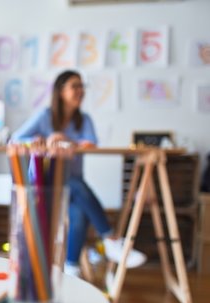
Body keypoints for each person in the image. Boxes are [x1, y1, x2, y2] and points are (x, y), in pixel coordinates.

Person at [10, 70, 146, 277]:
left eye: (82, 86)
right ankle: (110, 239)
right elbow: (15, 140)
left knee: (79, 213)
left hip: (72, 187)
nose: (80, 91)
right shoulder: (45, 116)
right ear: (61, 91)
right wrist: (41, 141)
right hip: (44, 184)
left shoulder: (84, 120)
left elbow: (91, 144)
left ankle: (72, 268)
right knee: (74, 183)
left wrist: (66, 140)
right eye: (75, 86)